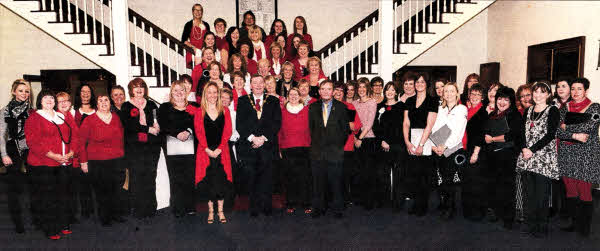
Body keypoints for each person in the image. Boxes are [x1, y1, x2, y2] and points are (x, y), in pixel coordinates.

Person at [25, 89, 76, 240]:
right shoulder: (34, 117)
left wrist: (71, 153)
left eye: (51, 98)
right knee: (47, 198)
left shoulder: (61, 116)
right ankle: (50, 228)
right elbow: (33, 142)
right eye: (45, 97)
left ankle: (62, 223)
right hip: (43, 164)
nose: (49, 100)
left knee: (62, 195)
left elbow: (73, 135)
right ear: (40, 100)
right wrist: (53, 156)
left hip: (63, 163)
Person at [516, 81, 560, 238]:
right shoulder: (528, 110)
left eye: (542, 92)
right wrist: (524, 149)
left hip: (543, 158)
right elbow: (521, 133)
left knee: (541, 194)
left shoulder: (553, 110)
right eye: (535, 92)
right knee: (528, 193)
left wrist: (532, 150)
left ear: (548, 95)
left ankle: (541, 226)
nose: (538, 95)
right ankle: (529, 223)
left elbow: (550, 135)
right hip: (526, 157)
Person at [557, 78, 600, 237]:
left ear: (586, 90)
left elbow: (590, 126)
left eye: (579, 89)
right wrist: (574, 133)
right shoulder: (564, 108)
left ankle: (585, 228)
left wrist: (566, 126)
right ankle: (574, 224)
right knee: (571, 191)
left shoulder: (595, 107)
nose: (575, 92)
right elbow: (556, 130)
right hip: (567, 154)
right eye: (573, 89)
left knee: (584, 192)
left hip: (586, 155)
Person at [236, 75, 282, 217]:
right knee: (252, 177)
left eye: (261, 82)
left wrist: (262, 138)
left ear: (265, 85)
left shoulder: (274, 100)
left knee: (267, 178)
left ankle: (267, 206)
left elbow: (277, 123)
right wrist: (252, 138)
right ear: (250, 85)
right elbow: (240, 124)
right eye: (255, 83)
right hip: (249, 146)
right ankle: (254, 208)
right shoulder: (242, 100)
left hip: (267, 145)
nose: (258, 85)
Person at [78, 95, 127, 226]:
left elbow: (122, 138)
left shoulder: (116, 117)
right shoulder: (89, 120)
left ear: (110, 103)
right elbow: (81, 142)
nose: (104, 103)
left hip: (117, 160)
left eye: (106, 100)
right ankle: (105, 217)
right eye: (100, 101)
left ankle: (116, 214)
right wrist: (83, 161)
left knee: (116, 189)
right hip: (97, 160)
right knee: (102, 190)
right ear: (96, 104)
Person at [483, 86, 524, 230]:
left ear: (511, 101)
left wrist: (493, 139)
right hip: (493, 155)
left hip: (508, 156)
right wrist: (489, 139)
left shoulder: (515, 115)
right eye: (499, 98)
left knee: (507, 188)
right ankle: (496, 212)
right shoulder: (492, 114)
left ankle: (508, 218)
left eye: (505, 99)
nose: (502, 102)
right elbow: (486, 132)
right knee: (494, 185)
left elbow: (511, 136)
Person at [120, 78, 161, 220]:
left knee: (150, 177)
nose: (138, 89)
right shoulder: (126, 106)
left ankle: (150, 208)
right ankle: (138, 209)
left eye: (141, 87)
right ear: (131, 90)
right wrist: (148, 129)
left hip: (151, 148)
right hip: (134, 149)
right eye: (135, 87)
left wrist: (157, 126)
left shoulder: (151, 104)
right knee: (137, 178)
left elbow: (157, 120)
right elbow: (129, 126)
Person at [157, 80, 199, 218]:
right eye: (175, 90)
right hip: (172, 147)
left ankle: (190, 206)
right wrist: (177, 134)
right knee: (175, 177)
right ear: (171, 93)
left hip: (190, 146)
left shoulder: (194, 106)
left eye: (182, 90)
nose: (179, 93)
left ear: (186, 92)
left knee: (189, 176)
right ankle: (178, 207)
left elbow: (199, 123)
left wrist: (188, 131)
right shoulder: (164, 107)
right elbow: (163, 124)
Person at [309, 80, 350, 218]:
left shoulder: (342, 107)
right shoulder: (312, 107)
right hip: (317, 152)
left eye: (329, 89)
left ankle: (337, 209)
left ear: (333, 91)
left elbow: (345, 131)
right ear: (319, 91)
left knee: (336, 183)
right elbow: (311, 129)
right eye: (323, 89)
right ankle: (318, 208)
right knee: (318, 183)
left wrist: (337, 145)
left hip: (335, 151)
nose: (326, 91)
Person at [194, 82, 234, 224]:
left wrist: (219, 149)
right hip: (205, 152)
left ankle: (221, 211)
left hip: (221, 151)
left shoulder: (225, 110)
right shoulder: (199, 111)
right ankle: (211, 211)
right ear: (205, 94)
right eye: (209, 92)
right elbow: (198, 132)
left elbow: (228, 131)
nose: (212, 95)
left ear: (218, 94)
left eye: (214, 92)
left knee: (221, 181)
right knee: (208, 182)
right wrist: (207, 149)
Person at [430, 82, 468, 221]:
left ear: (457, 93)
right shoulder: (440, 108)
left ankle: (450, 208)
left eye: (452, 91)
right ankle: (445, 204)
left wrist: (445, 146)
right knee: (441, 180)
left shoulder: (462, 109)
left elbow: (458, 131)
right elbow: (434, 127)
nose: (448, 94)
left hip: (453, 149)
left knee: (449, 180)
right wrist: (435, 145)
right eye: (446, 91)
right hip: (438, 147)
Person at [402, 73, 438, 216]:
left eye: (422, 82)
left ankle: (422, 206)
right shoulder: (409, 101)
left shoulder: (432, 101)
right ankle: (416, 203)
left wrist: (421, 144)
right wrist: (407, 142)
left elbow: (430, 125)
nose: (419, 84)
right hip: (412, 138)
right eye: (417, 82)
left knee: (424, 175)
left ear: (427, 84)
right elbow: (406, 122)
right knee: (413, 174)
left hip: (426, 139)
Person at [1, 79, 33, 233]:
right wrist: (4, 154)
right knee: (13, 188)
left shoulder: (31, 111)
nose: (24, 94)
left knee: (35, 184)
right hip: (12, 149)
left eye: (26, 91)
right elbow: (1, 135)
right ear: (14, 92)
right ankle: (17, 223)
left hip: (30, 149)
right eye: (20, 90)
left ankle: (37, 217)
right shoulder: (5, 111)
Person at [372, 81, 406, 211]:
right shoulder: (379, 106)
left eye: (392, 90)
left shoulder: (402, 106)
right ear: (384, 92)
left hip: (398, 145)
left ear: (396, 92)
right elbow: (375, 126)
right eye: (387, 89)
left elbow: (404, 126)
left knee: (399, 175)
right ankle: (385, 201)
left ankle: (398, 203)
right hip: (383, 145)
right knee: (382, 174)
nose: (390, 92)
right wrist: (382, 141)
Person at [279, 87, 311, 215]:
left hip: (304, 147)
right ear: (287, 97)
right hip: (287, 148)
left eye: (295, 94)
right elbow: (279, 132)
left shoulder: (307, 110)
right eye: (290, 94)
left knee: (304, 177)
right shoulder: (282, 112)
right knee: (290, 178)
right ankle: (290, 203)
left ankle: (306, 203)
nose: (293, 96)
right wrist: (279, 148)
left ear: (300, 96)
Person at [461, 84, 489, 222]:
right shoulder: (466, 110)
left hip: (477, 151)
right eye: (472, 94)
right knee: (468, 181)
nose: (475, 97)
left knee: (476, 182)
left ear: (482, 97)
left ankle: (477, 212)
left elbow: (481, 134)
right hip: (467, 149)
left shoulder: (483, 112)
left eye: (478, 95)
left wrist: (475, 153)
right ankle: (468, 210)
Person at [333, 83, 362, 208]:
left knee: (345, 175)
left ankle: (344, 200)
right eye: (336, 90)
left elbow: (356, 126)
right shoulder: (327, 106)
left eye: (341, 90)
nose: (338, 92)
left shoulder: (349, 106)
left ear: (344, 93)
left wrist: (348, 125)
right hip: (331, 147)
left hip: (346, 146)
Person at [352, 78, 378, 210]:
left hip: (367, 140)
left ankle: (369, 201)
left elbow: (369, 124)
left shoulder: (372, 102)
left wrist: (360, 139)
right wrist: (355, 138)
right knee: (359, 171)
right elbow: (352, 123)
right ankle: (360, 199)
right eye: (359, 87)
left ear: (368, 88)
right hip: (356, 139)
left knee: (368, 171)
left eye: (364, 87)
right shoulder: (354, 103)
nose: (361, 89)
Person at [72, 83, 96, 221]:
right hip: (80, 153)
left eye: (88, 92)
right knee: (82, 184)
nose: (86, 94)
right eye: (83, 92)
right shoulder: (73, 111)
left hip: (95, 152)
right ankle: (86, 210)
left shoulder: (97, 110)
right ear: (79, 94)